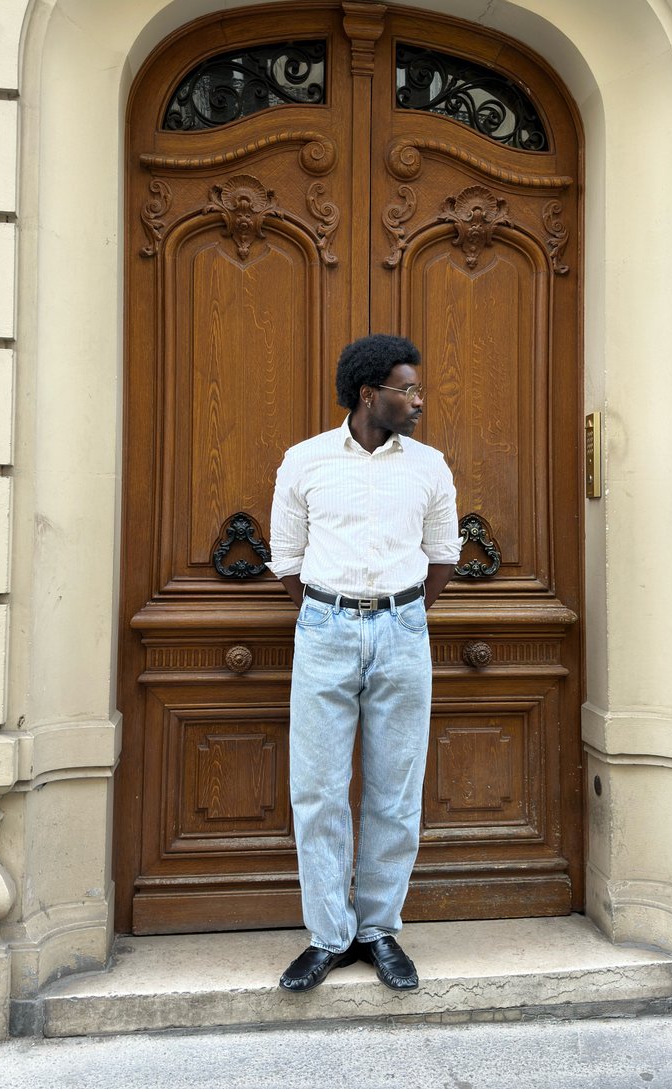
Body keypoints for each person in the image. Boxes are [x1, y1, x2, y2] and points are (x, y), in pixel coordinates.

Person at [268, 334, 461, 992]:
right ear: (367, 394)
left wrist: (397, 612)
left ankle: (378, 928)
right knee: (318, 790)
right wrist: (335, 609)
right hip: (324, 627)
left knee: (396, 791)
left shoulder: (430, 466)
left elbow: (443, 557)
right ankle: (328, 933)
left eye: (416, 387)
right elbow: (288, 562)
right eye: (405, 389)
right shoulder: (305, 462)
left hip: (404, 628)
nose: (417, 399)